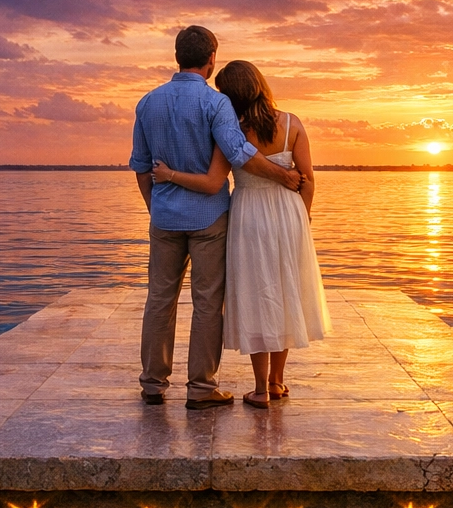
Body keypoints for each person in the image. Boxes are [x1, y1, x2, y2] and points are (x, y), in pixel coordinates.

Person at [129, 27, 301, 409]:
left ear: (177, 56)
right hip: (209, 220)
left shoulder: (147, 103)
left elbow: (141, 166)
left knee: (159, 298)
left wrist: (154, 206)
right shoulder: (216, 103)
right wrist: (285, 176)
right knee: (207, 302)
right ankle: (201, 389)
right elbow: (239, 153)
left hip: (164, 218)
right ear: (211, 60)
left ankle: (153, 384)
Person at [151, 60, 329, 407]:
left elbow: (213, 180)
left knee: (257, 293)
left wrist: (170, 174)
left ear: (230, 94)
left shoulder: (232, 129)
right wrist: (301, 219)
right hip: (288, 214)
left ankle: (261, 388)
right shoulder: (292, 123)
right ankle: (277, 382)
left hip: (248, 215)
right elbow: (308, 179)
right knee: (285, 290)